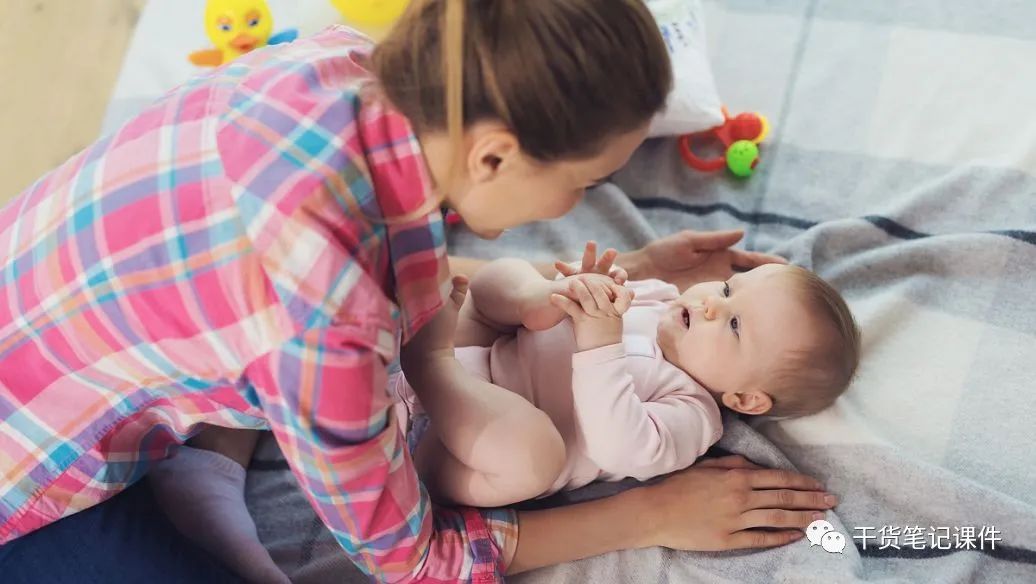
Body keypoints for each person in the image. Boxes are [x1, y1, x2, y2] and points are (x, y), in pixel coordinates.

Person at [0, 1, 838, 582]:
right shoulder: (330, 322)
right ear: (494, 157)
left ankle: (206, 466)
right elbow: (409, 561)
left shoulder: (340, 63)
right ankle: (196, 474)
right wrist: (650, 518)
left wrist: (636, 272)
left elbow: (416, 273)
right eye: (586, 183)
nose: (575, 208)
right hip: (29, 485)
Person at [395, 246, 860, 507]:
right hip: (478, 348)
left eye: (735, 325)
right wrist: (570, 290)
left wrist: (599, 342)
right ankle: (447, 354)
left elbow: (618, 446)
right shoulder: (656, 298)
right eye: (726, 288)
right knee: (511, 275)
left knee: (533, 455)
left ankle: (427, 366)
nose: (710, 304)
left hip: (456, 449)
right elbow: (524, 303)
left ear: (745, 398)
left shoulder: (692, 414)